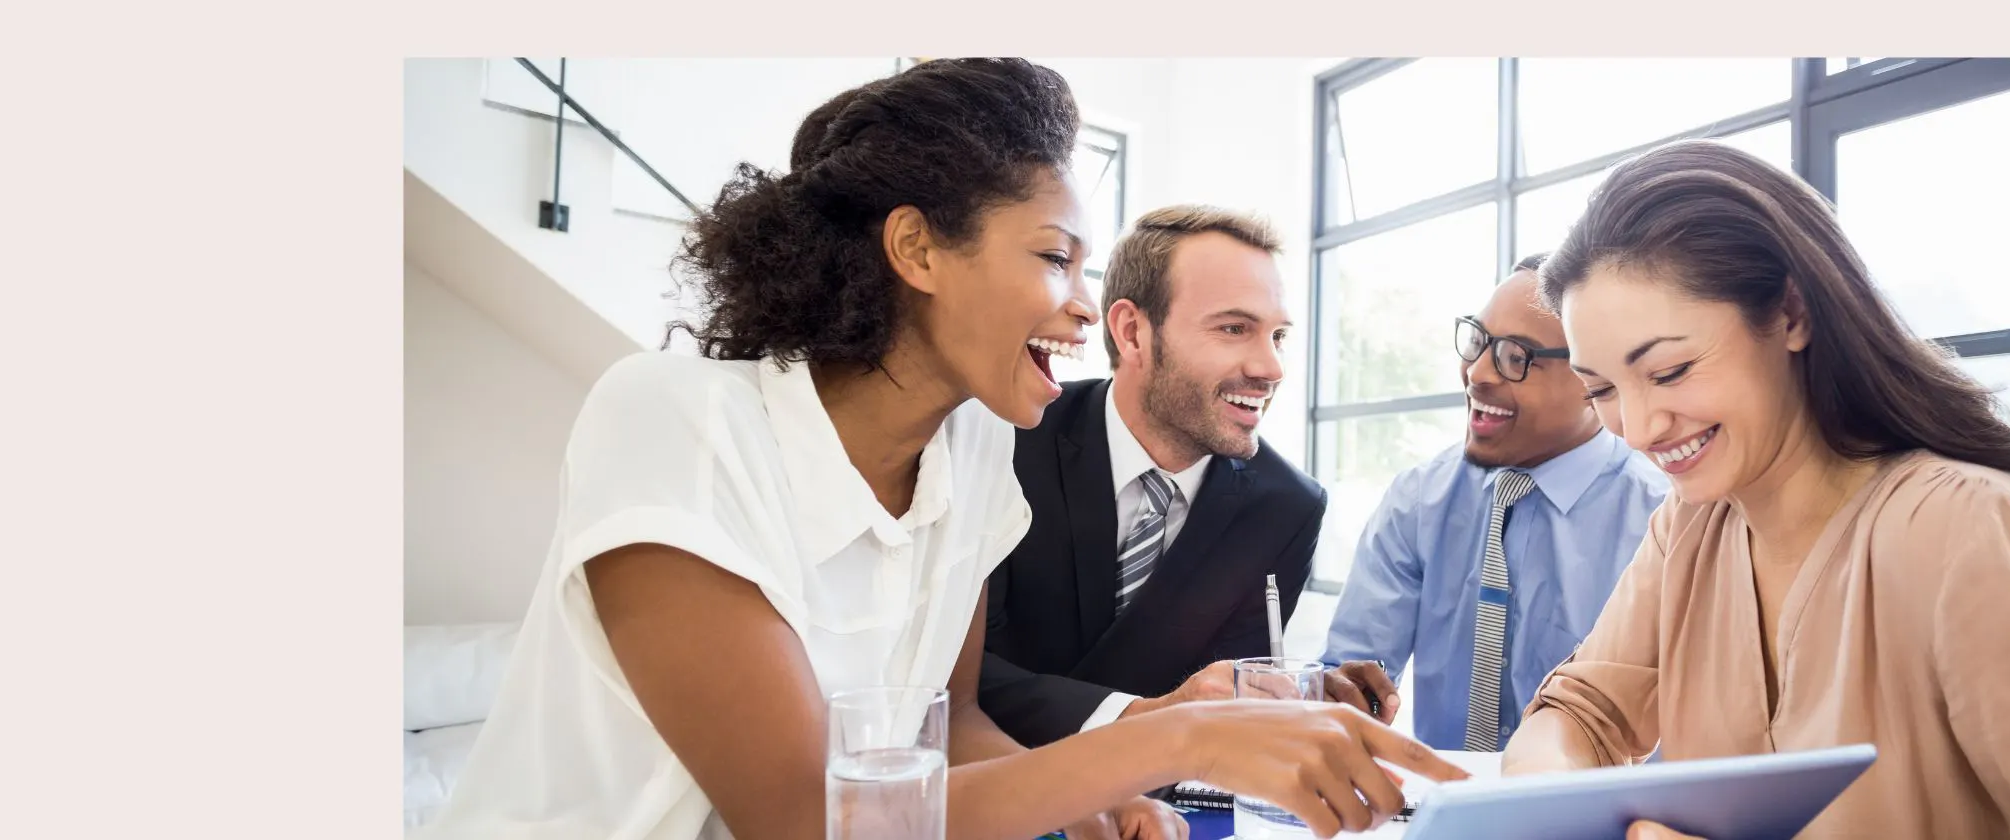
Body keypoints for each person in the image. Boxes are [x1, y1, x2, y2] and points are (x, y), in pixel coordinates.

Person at [422, 59, 1460, 840]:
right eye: (1052, 258)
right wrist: (1171, 737)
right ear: (915, 249)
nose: (1084, 307)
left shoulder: (969, 452)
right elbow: (798, 817)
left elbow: (948, 722)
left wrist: (1092, 803)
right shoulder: (674, 417)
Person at [1505, 138, 2010, 838]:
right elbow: (1582, 713)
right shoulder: (1691, 530)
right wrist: (1557, 800)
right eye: (1600, 388)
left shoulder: (1964, 528)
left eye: (1668, 371)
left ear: (1791, 315)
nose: (1636, 428)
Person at [980, 205, 1395, 749]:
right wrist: (1141, 715)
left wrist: (1302, 691)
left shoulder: (1287, 508)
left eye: (1278, 336)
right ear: (1132, 333)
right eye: (1234, 328)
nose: (1271, 368)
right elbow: (953, 676)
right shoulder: (1005, 443)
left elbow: (1227, 699)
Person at [1317, 255, 1670, 752]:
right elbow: (1349, 675)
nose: (1477, 372)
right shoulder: (1419, 500)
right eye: (1478, 341)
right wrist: (1342, 697)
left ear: (1595, 380)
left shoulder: (1665, 519)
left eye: (1515, 356)